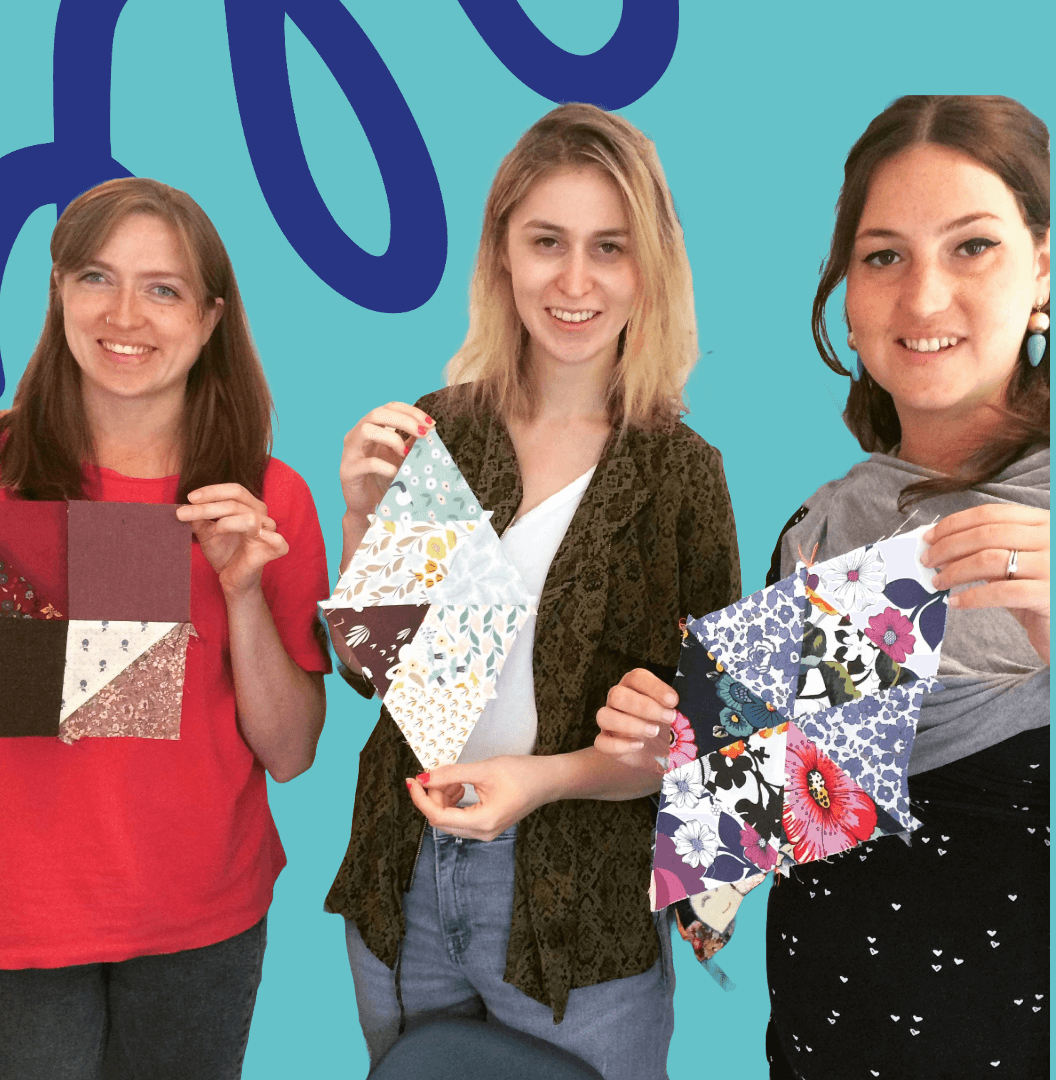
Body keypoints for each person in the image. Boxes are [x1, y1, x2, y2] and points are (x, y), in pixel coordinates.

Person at [598, 95, 1050, 1078]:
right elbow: (718, 874)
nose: (924, 299)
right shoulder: (822, 532)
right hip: (823, 1045)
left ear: (1044, 266)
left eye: (971, 247)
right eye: (883, 255)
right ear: (845, 292)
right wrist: (666, 765)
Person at [325, 103, 742, 1079]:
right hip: (406, 877)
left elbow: (700, 752)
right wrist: (359, 520)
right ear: (502, 254)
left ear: (650, 266)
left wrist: (544, 780)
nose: (575, 281)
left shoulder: (682, 474)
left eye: (610, 247)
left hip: (579, 913)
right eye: (546, 242)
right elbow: (381, 675)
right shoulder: (442, 430)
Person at [0, 178, 330, 1080]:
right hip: (12, 923)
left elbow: (290, 755)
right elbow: (81, 708)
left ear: (211, 319)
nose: (124, 313)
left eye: (163, 288)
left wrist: (242, 594)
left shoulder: (265, 497)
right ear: (59, 293)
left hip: (198, 926)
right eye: (96, 277)